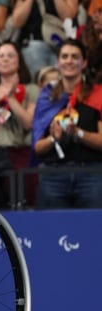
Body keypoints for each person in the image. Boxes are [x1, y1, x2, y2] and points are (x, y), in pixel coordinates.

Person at [32, 39, 102, 208]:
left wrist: (77, 133)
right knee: (50, 230)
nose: (69, 60)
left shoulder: (97, 94)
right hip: (53, 176)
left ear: (84, 62)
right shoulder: (47, 96)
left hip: (91, 175)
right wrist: (53, 139)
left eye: (75, 56)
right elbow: (38, 147)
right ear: (58, 62)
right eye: (64, 56)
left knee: (94, 230)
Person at [0, 41, 39, 171]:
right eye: (0, 56)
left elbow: (29, 124)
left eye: (10, 56)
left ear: (19, 61)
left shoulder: (32, 90)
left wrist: (11, 98)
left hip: (21, 153)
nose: (4, 59)